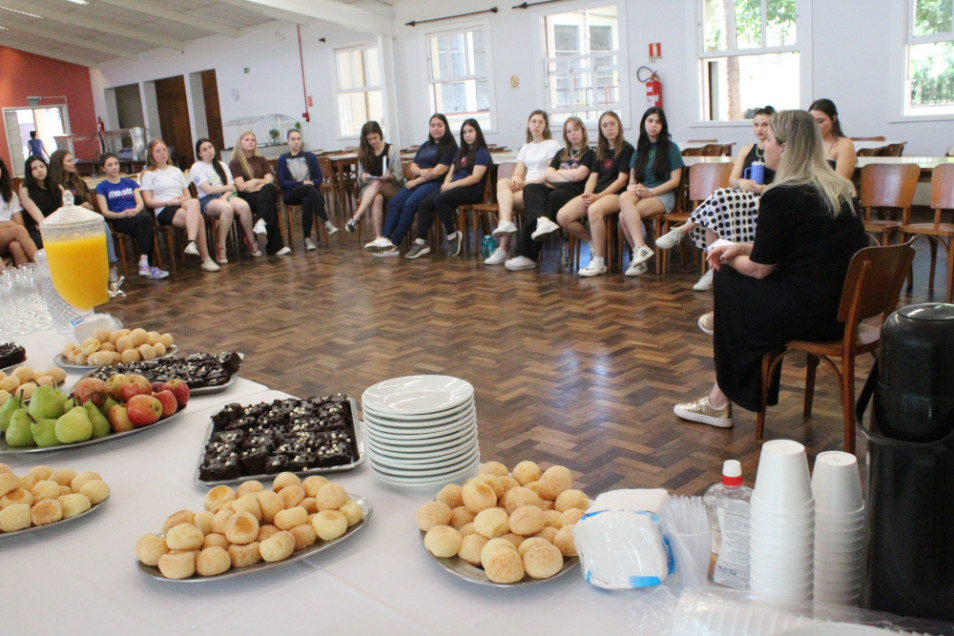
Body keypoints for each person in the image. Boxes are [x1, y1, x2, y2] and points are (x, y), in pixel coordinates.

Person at [672, 109, 866, 429]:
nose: (764, 147)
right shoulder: (840, 189)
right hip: (843, 309)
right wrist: (742, 247)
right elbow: (798, 249)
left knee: (728, 279)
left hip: (810, 315)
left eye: (770, 141)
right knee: (743, 293)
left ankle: (719, 399)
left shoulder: (782, 195)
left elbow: (760, 269)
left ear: (787, 148)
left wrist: (722, 251)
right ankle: (719, 395)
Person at [655, 106, 776, 291]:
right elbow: (732, 180)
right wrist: (741, 182)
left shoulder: (779, 151)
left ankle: (683, 230)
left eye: (765, 124)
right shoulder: (746, 150)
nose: (760, 129)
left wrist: (761, 187)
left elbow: (783, 184)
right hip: (742, 197)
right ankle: (712, 267)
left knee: (719, 197)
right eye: (756, 124)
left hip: (763, 200)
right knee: (719, 201)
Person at [504, 117, 593, 271]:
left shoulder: (589, 153)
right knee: (530, 189)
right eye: (569, 131)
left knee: (547, 201)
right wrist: (567, 173)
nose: (573, 134)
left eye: (576, 129)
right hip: (555, 187)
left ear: (583, 132)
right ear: (565, 135)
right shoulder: (561, 153)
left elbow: (580, 175)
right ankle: (543, 222)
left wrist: (560, 172)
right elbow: (548, 174)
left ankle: (527, 256)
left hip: (574, 191)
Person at [556, 111, 635, 277]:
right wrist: (587, 194)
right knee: (563, 216)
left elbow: (621, 181)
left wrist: (597, 197)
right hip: (597, 194)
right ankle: (592, 242)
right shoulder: (601, 150)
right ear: (600, 129)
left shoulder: (627, 149)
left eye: (612, 124)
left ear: (619, 126)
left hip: (616, 195)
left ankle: (599, 261)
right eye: (604, 125)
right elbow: (593, 177)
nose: (609, 128)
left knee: (594, 210)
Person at [366, 114, 458, 253]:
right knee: (396, 202)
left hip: (435, 184)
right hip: (419, 181)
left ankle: (395, 243)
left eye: (439, 125)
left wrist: (416, 180)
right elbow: (412, 166)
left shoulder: (450, 147)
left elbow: (438, 171)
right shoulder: (426, 145)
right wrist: (420, 172)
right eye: (432, 125)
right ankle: (385, 238)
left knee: (410, 204)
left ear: (446, 127)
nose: (436, 128)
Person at [405, 118, 492, 259]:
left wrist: (451, 186)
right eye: (464, 132)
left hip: (472, 190)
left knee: (441, 200)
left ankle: (452, 238)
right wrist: (446, 184)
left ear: (477, 133)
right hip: (454, 188)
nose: (467, 135)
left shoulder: (481, 152)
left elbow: (475, 178)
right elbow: (451, 172)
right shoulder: (460, 152)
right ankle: (421, 243)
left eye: (470, 131)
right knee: (424, 204)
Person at [485, 110, 561, 265]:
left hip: (540, 188)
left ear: (545, 125)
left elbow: (549, 175)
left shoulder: (552, 144)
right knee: (501, 183)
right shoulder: (526, 147)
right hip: (525, 187)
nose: (537, 125)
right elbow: (518, 171)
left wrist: (524, 184)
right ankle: (506, 222)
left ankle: (503, 249)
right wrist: (515, 179)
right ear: (529, 124)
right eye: (534, 121)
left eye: (540, 122)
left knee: (505, 201)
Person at [617, 107, 684, 277]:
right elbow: (631, 183)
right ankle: (641, 250)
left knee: (624, 216)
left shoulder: (671, 148)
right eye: (650, 120)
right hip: (642, 193)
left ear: (663, 126)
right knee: (625, 196)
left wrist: (651, 191)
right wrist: (636, 189)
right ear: (644, 123)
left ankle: (640, 259)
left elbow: (675, 181)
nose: (654, 125)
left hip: (662, 195)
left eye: (658, 121)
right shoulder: (640, 149)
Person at [140, 138, 220, 272]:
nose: (162, 153)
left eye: (164, 150)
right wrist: (169, 202)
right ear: (151, 155)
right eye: (158, 151)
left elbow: (187, 194)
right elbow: (148, 201)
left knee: (194, 202)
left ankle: (191, 243)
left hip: (181, 204)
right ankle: (205, 258)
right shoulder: (148, 174)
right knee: (198, 218)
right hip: (164, 207)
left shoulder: (176, 170)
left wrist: (183, 200)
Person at [94, 153, 169, 279]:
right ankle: (147, 265)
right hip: (119, 219)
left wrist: (135, 210)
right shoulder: (102, 187)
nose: (114, 167)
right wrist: (121, 214)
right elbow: (105, 211)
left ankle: (145, 262)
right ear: (103, 168)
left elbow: (140, 203)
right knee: (146, 223)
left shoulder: (130, 182)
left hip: (136, 216)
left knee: (144, 220)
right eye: (110, 165)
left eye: (116, 164)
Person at [191, 138, 261, 264]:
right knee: (227, 208)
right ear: (199, 153)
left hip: (226, 195)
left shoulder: (222, 165)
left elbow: (233, 187)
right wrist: (226, 189)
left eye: (210, 147)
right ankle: (221, 246)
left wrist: (226, 194)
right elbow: (208, 189)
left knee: (244, 206)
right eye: (204, 149)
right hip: (207, 200)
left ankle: (250, 240)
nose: (209, 151)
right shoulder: (197, 167)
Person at [229, 131, 289, 256]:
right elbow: (241, 186)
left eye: (253, 140)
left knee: (270, 189)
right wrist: (260, 184)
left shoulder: (261, 159)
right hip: (247, 197)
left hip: (263, 193)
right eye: (247, 140)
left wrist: (255, 181)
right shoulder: (235, 162)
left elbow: (270, 180)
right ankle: (275, 246)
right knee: (269, 201)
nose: (250, 142)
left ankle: (261, 220)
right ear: (240, 143)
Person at [276, 129, 337, 251]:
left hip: (310, 193)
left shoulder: (310, 157)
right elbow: (282, 182)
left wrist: (311, 183)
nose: (296, 142)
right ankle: (326, 221)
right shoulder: (283, 159)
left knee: (307, 200)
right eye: (293, 139)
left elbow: (319, 178)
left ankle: (307, 239)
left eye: (298, 139)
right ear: (288, 141)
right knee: (308, 189)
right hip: (293, 193)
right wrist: (301, 183)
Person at [344, 121, 403, 238]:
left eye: (375, 138)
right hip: (370, 189)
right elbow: (360, 177)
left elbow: (399, 176)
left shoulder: (392, 149)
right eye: (369, 139)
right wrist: (363, 177)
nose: (373, 142)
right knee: (377, 198)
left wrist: (390, 176)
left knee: (378, 182)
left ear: (380, 134)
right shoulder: (364, 152)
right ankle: (378, 237)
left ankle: (356, 217)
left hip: (391, 187)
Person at [18, 155, 62, 247]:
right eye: (34, 168)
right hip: (37, 227)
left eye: (42, 166)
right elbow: (39, 218)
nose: (39, 170)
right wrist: (47, 227)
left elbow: (64, 212)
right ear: (29, 172)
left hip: (58, 225)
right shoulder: (25, 191)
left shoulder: (57, 187)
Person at [0, 158, 37, 266]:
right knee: (18, 230)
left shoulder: (10, 194)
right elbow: (17, 226)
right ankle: (42, 265)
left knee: (16, 246)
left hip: (6, 236)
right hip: (11, 231)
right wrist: (10, 224)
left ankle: (25, 279)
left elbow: (20, 223)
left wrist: (7, 225)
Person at [808, 98, 856, 180]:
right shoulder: (807, 143)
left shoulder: (844, 144)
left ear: (833, 119)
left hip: (831, 190)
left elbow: (841, 181)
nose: (815, 126)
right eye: (811, 122)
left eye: (820, 121)